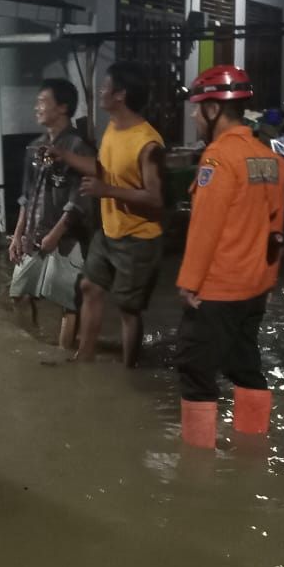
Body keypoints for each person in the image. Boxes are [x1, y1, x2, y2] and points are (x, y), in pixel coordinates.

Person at [172, 66, 284, 447]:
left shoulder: (218, 159)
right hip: (254, 286)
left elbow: (206, 227)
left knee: (195, 368)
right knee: (244, 365)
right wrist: (269, 280)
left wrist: (189, 282)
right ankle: (253, 445)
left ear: (212, 111)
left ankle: (197, 462)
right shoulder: (267, 158)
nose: (193, 114)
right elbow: (277, 228)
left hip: (217, 290)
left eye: (197, 107)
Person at [50, 62, 164, 366]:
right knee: (89, 286)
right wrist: (64, 155)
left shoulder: (147, 142)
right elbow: (103, 170)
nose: (101, 92)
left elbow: (156, 199)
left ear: (121, 95)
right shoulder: (113, 128)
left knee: (128, 310)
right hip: (109, 231)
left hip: (139, 238)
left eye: (106, 87)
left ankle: (130, 371)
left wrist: (108, 191)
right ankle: (84, 358)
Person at [9, 79, 94, 349]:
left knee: (67, 302)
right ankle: (37, 347)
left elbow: (79, 198)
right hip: (34, 234)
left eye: (43, 102)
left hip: (68, 239)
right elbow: (27, 194)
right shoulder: (35, 147)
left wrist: (57, 233)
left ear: (63, 107)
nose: (37, 108)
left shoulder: (78, 147)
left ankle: (62, 356)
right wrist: (18, 233)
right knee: (19, 295)